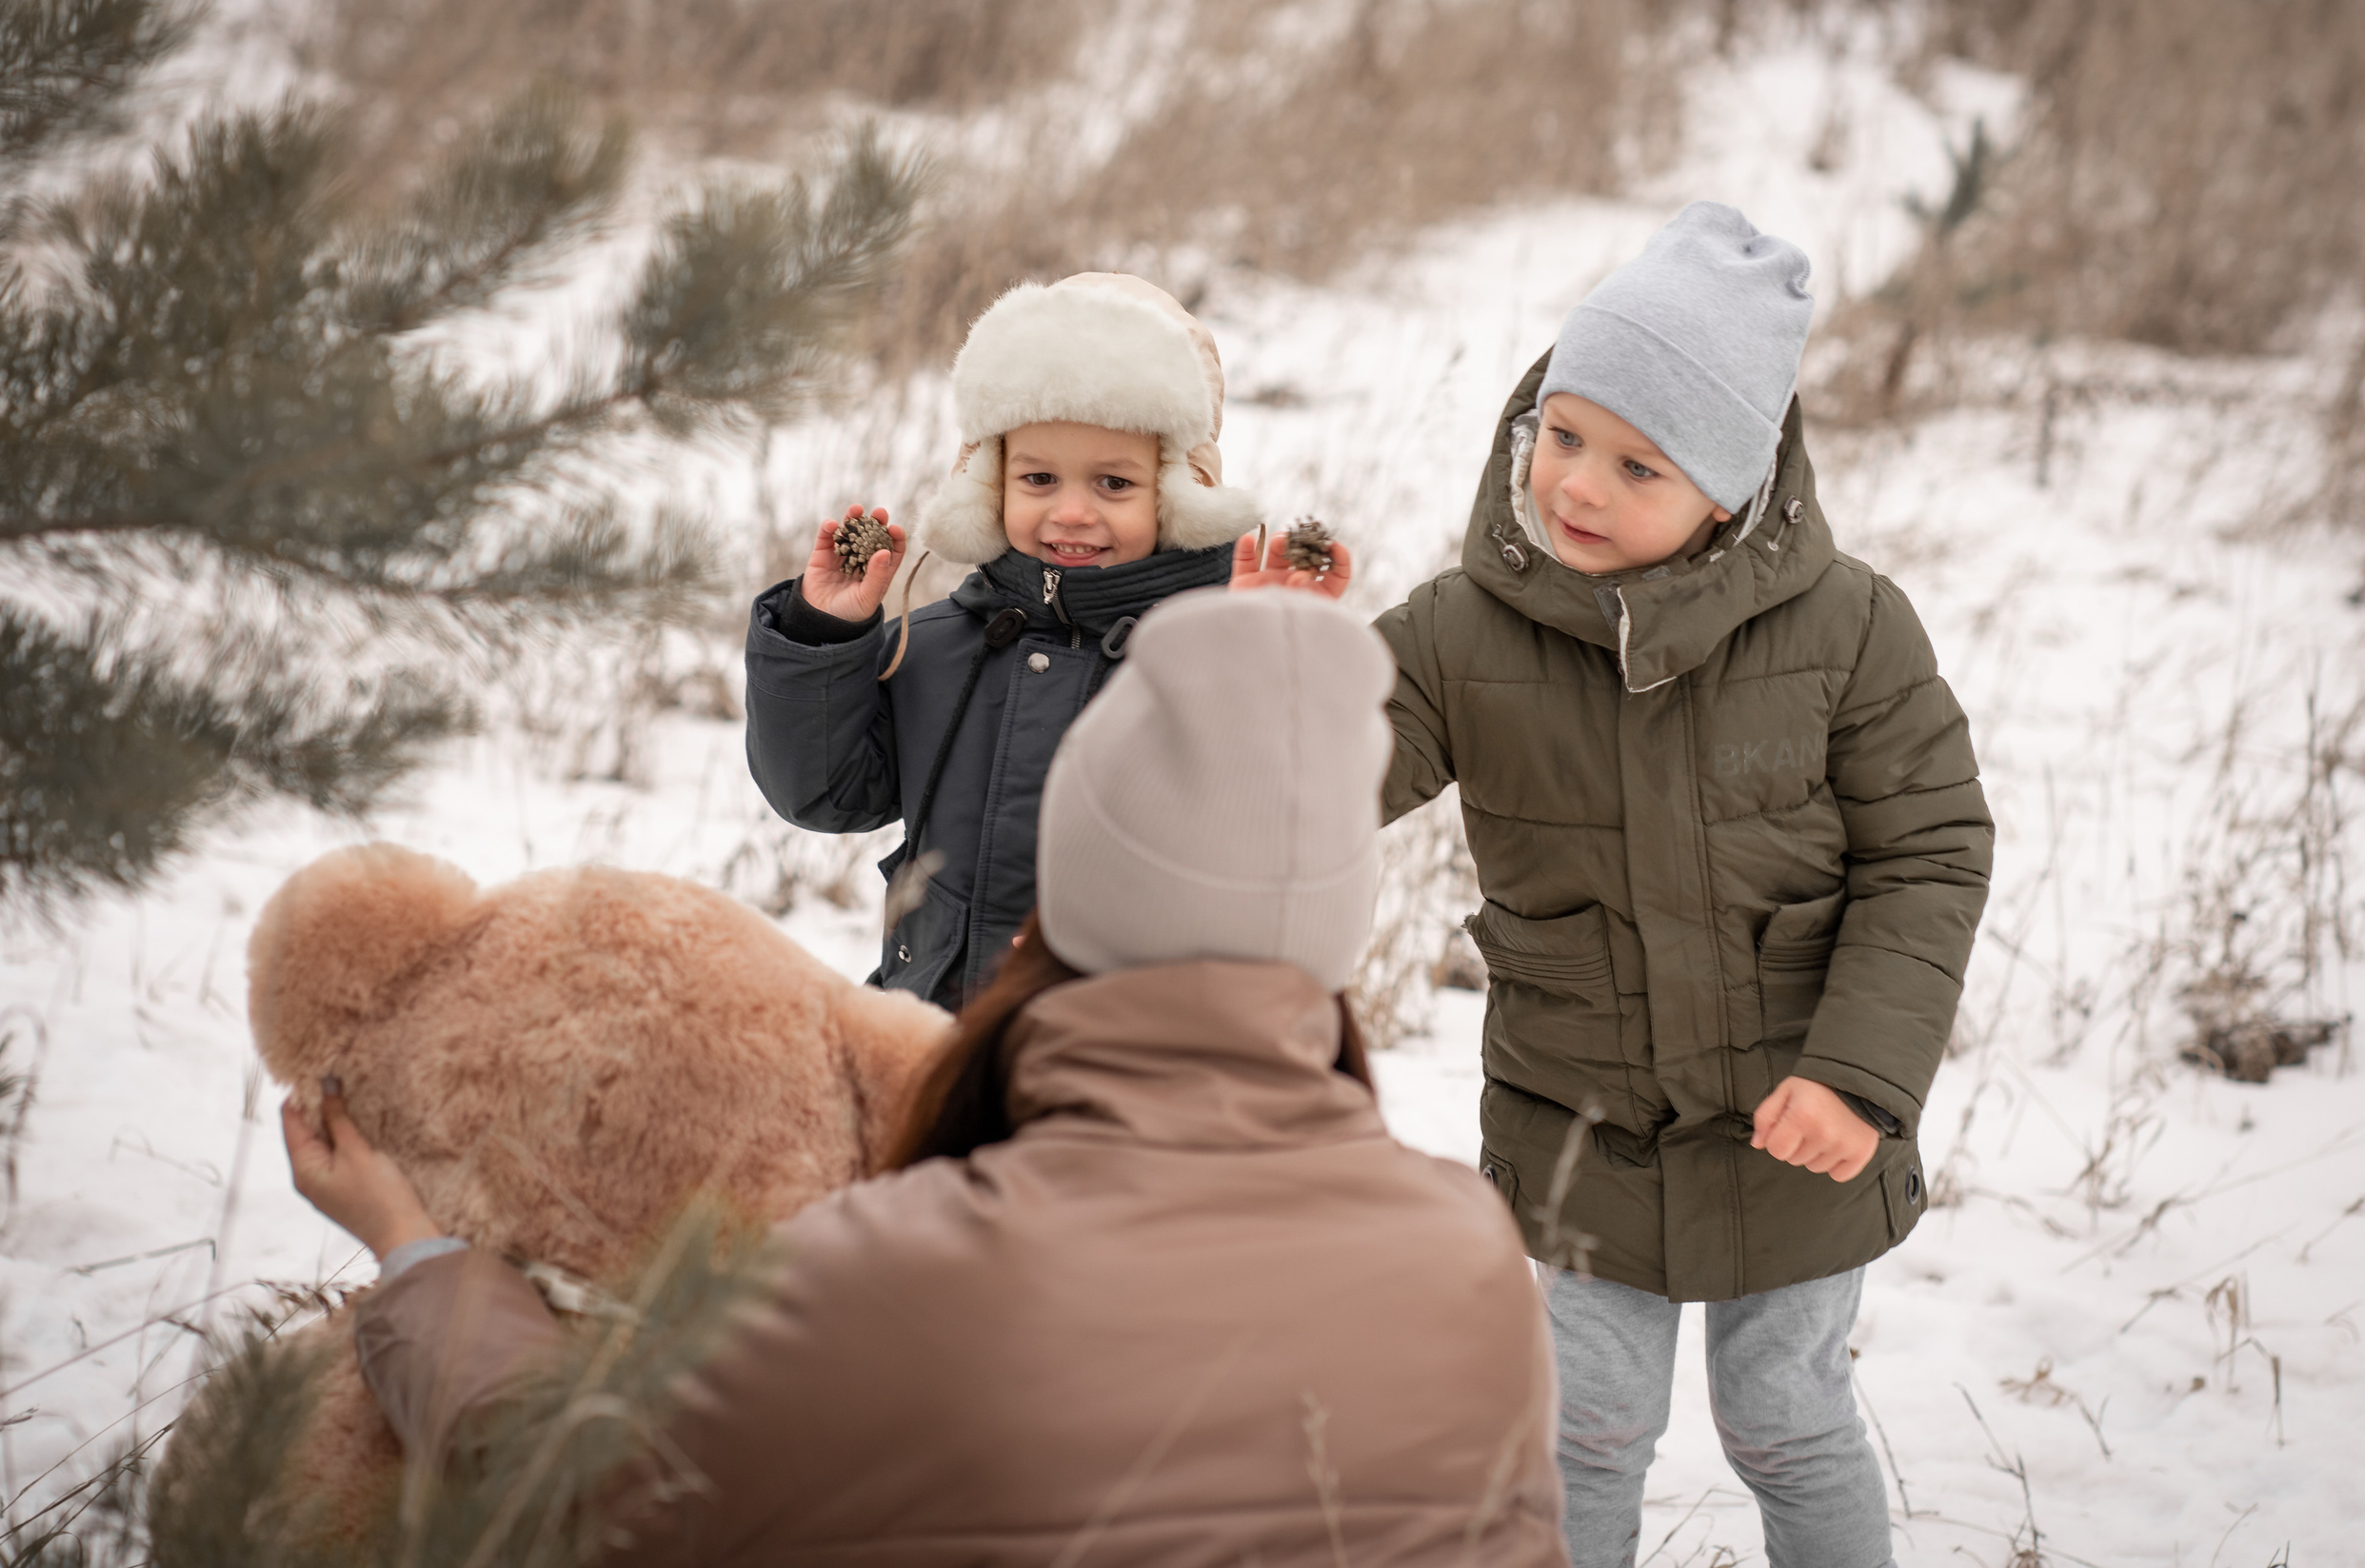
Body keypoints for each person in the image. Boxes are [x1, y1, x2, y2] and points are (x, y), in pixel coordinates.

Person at [286, 586, 1567, 1567]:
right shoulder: (1468, 1254)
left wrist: (416, 1256)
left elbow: (580, 1492)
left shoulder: (901, 1266)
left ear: (1050, 919)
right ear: (1330, 955)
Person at [1372, 203, 1994, 1568]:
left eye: (1636, 464)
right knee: (1581, 1425)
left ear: (1731, 486)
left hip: (1801, 1124)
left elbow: (1930, 852)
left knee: (1784, 1414)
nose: (1577, 485)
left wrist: (1863, 1077)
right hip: (1583, 1121)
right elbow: (1319, 775)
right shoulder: (1457, 632)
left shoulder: (1849, 630)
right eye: (1563, 433)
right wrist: (1273, 666)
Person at [743, 271, 1351, 1009]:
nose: (1071, 512)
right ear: (990, 481)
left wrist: (1260, 661)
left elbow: (1273, 839)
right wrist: (822, 636)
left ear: (1178, 492)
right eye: (1037, 477)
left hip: (1124, 1056)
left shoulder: (1199, 661)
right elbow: (822, 792)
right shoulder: (933, 649)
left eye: (1114, 485)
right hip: (940, 1037)